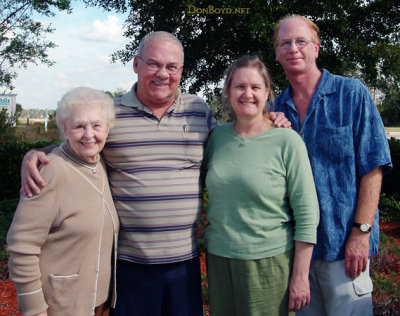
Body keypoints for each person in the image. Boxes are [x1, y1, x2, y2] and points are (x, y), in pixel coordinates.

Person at [19, 32, 290, 316]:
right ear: (136, 64)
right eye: (154, 64)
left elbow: (234, 141)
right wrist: (37, 155)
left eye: (172, 67)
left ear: (181, 71)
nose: (163, 74)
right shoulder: (110, 114)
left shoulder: (198, 111)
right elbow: (78, 145)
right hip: (130, 266)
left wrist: (268, 121)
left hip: (184, 265)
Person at [272, 15, 392, 316]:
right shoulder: (274, 109)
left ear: (317, 48)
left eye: (301, 41)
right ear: (276, 53)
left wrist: (361, 233)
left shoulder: (351, 94)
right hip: (298, 252)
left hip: (344, 249)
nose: (293, 48)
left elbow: (373, 168)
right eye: (285, 43)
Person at [202, 55, 320, 316]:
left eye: (255, 87)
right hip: (220, 259)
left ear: (267, 92)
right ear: (228, 92)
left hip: (269, 262)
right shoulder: (216, 138)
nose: (248, 94)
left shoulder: (287, 141)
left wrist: (300, 277)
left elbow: (307, 214)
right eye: (240, 87)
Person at [7, 87, 119, 316]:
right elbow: (21, 246)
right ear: (65, 129)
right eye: (79, 126)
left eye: (97, 125)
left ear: (107, 128)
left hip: (99, 305)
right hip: (60, 307)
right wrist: (35, 309)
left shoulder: (101, 165)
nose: (89, 135)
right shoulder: (50, 171)